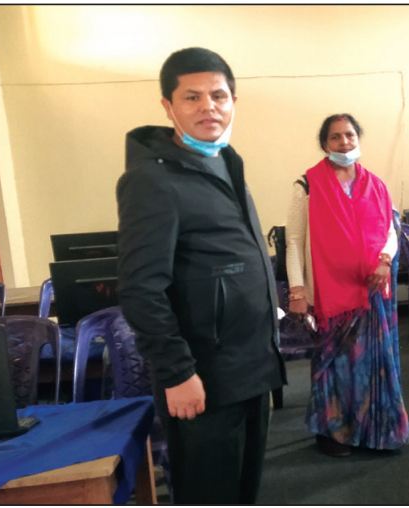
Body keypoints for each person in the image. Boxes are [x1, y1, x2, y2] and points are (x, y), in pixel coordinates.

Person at [116, 47, 286, 504]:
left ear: (233, 101)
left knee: (243, 493)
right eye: (192, 97)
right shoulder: (151, 181)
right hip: (203, 376)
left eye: (218, 96)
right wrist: (177, 373)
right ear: (168, 106)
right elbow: (140, 289)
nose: (208, 107)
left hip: (251, 367)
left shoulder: (226, 161)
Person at [284, 113, 409, 458]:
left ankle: (377, 432)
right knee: (335, 367)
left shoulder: (376, 185)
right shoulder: (307, 186)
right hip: (329, 299)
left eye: (350, 135)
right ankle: (332, 433)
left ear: (358, 138)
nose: (344, 142)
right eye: (335, 137)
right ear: (325, 144)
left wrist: (384, 261)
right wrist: (297, 291)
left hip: (371, 294)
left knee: (372, 364)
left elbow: (390, 230)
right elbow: (294, 241)